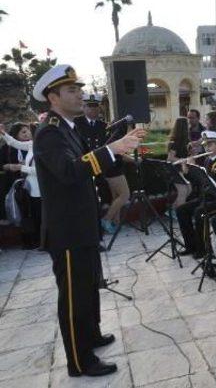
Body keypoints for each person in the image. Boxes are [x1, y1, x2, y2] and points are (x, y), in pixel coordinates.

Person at [32, 64, 144, 377]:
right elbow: (69, 171)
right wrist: (112, 149)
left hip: (82, 224)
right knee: (73, 296)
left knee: (89, 285)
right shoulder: (49, 134)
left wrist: (114, 150)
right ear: (53, 98)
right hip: (67, 231)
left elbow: (85, 166)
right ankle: (80, 362)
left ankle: (91, 336)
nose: (80, 94)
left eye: (79, 88)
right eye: (72, 90)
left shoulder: (68, 128)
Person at [75, 95, 130, 235]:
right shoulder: (76, 124)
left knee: (115, 195)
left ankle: (114, 223)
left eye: (96, 106)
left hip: (105, 166)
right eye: (90, 106)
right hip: (85, 166)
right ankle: (103, 222)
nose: (94, 109)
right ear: (84, 107)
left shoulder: (104, 126)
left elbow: (110, 146)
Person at [176, 131, 216, 259]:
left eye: (210, 144)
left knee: (199, 213)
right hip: (206, 198)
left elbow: (211, 183)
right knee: (181, 210)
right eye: (206, 145)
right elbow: (199, 182)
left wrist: (194, 167)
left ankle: (204, 250)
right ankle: (191, 246)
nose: (207, 148)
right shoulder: (207, 160)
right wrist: (187, 170)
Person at [0, 123, 41, 248]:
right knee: (33, 214)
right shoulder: (31, 144)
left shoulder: (43, 147)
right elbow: (14, 143)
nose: (28, 134)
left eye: (30, 131)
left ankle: (44, 240)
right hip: (30, 188)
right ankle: (37, 240)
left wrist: (21, 167)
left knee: (40, 215)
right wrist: (3, 133)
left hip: (41, 188)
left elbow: (40, 170)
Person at [166, 117, 193, 211]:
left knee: (189, 189)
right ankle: (180, 213)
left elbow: (186, 155)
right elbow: (170, 158)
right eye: (187, 125)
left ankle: (172, 209)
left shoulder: (186, 141)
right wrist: (183, 160)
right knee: (183, 191)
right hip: (174, 170)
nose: (189, 126)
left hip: (180, 169)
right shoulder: (175, 142)